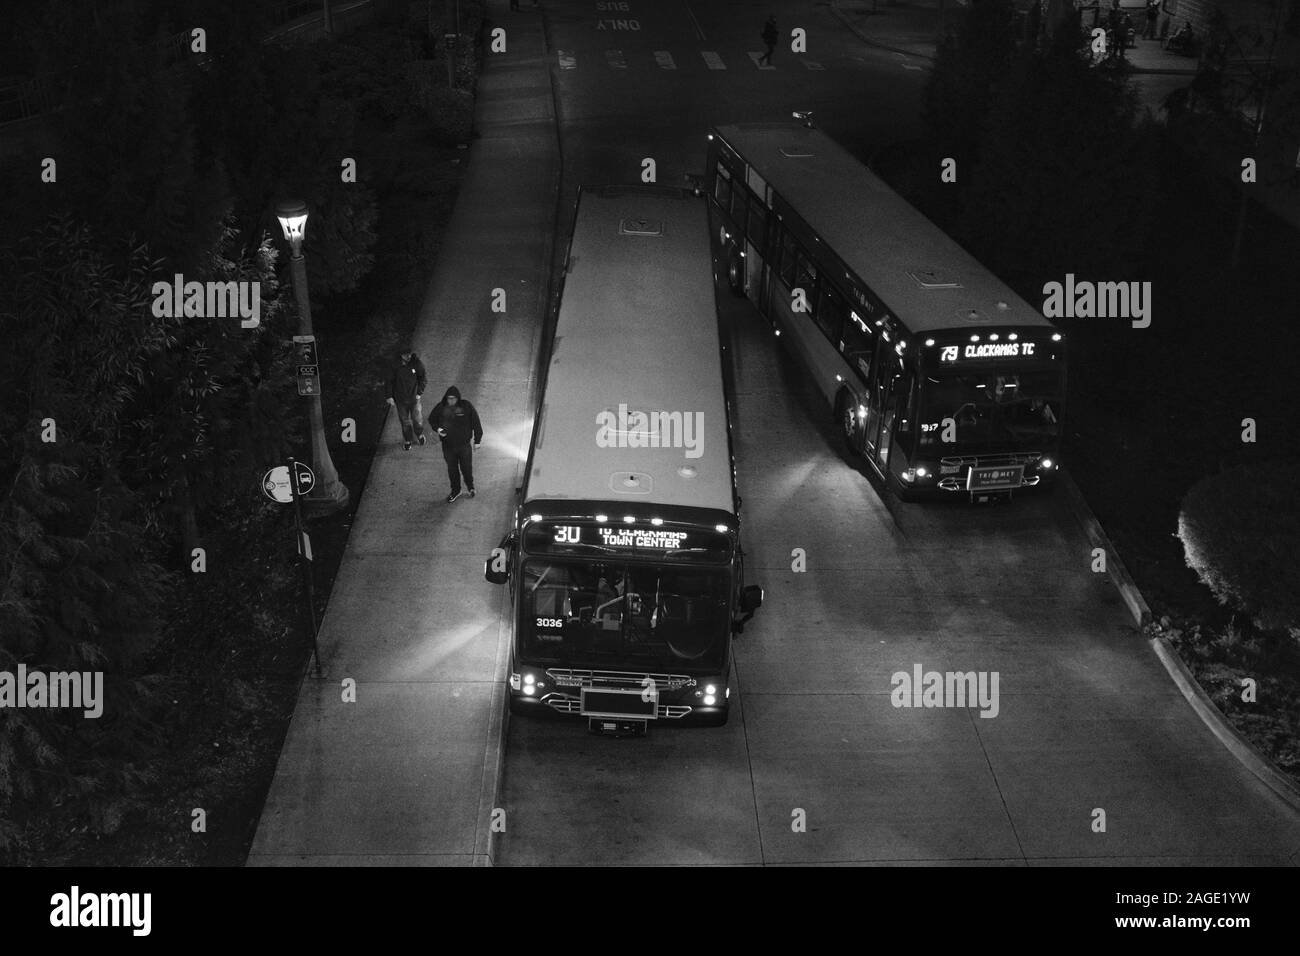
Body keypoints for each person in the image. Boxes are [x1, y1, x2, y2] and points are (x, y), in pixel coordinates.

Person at [427, 385, 483, 502]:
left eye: (453, 398)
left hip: (464, 446)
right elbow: (432, 419)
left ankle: (470, 486)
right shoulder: (441, 407)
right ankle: (456, 490)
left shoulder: (466, 406)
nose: (451, 401)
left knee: (466, 468)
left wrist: (477, 441)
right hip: (448, 446)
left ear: (458, 398)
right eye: (449, 398)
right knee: (452, 470)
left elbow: (476, 422)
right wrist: (438, 429)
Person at [387, 349, 427, 451]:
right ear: (401, 355)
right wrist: (389, 396)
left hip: (414, 399)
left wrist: (419, 393)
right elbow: (389, 381)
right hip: (400, 400)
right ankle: (408, 440)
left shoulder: (416, 364)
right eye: (406, 355)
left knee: (417, 420)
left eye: (409, 354)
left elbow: (423, 378)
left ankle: (419, 434)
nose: (408, 356)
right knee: (405, 422)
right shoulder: (395, 366)